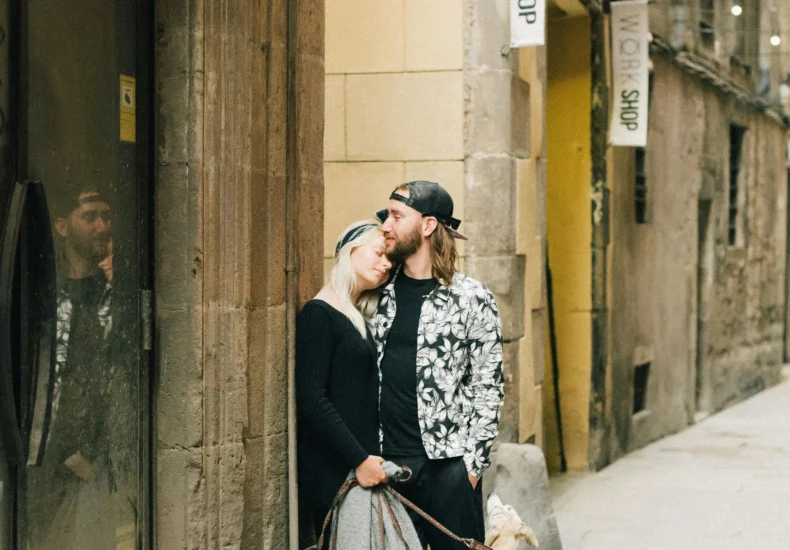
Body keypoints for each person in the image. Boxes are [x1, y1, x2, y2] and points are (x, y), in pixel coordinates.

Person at [371, 180, 505, 550]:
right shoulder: (375, 293)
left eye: (397, 216)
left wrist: (471, 469)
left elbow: (488, 386)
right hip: (388, 465)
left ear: (427, 226)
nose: (386, 226)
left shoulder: (472, 298)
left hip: (449, 467)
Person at [296, 221, 393, 545]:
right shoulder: (318, 313)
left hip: (356, 469)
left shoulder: (353, 314)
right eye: (379, 253)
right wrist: (359, 460)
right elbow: (311, 397)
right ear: (351, 250)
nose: (387, 263)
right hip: (334, 471)